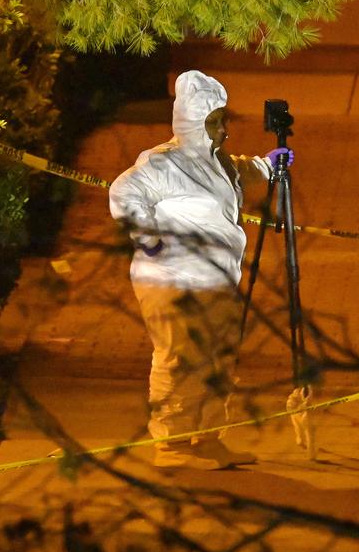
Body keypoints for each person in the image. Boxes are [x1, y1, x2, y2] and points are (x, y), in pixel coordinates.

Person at [109, 70, 289, 469]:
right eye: (217, 121)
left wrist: (268, 165)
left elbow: (238, 173)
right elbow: (123, 192)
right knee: (180, 358)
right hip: (173, 280)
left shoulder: (216, 161)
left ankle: (206, 438)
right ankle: (172, 445)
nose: (226, 128)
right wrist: (149, 240)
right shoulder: (164, 163)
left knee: (216, 358)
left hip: (215, 280)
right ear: (196, 123)